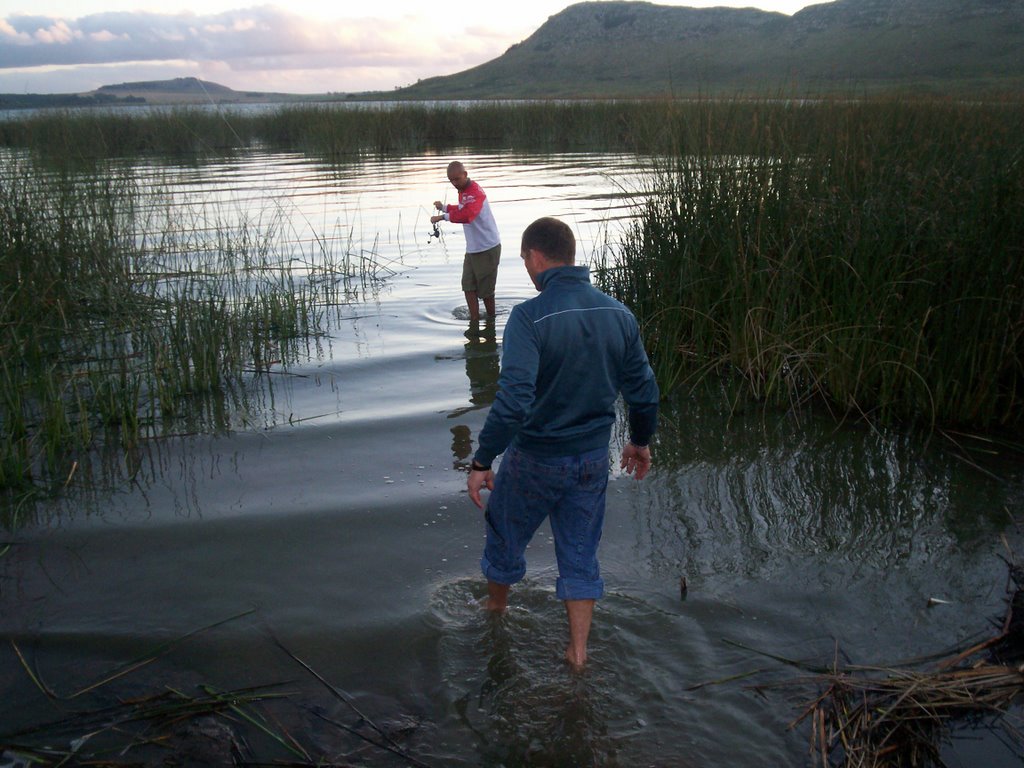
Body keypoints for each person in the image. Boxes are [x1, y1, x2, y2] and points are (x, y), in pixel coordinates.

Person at [467, 216, 659, 671]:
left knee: (504, 535)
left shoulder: (529, 317)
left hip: (536, 457)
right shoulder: (618, 313)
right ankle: (577, 653)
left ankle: (496, 611)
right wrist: (639, 441)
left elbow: (513, 402)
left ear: (535, 258)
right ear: (571, 256)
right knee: (578, 555)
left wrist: (481, 459)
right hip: (593, 460)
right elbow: (644, 390)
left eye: (524, 261)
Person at [430, 161, 501, 322]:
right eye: (451, 181)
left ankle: (491, 320)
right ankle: (474, 319)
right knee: (467, 286)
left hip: (488, 248)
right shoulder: (463, 191)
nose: (455, 183)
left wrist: (442, 217)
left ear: (465, 174)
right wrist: (445, 207)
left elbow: (468, 215)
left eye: (457, 179)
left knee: (486, 292)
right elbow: (462, 208)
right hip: (473, 249)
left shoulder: (476, 192)